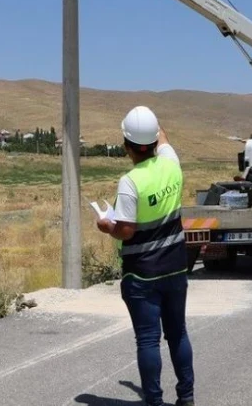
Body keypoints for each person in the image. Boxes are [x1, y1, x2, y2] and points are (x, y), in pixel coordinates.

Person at [96, 106, 194, 406]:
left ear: (126, 147)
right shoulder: (171, 163)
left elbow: (125, 230)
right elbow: (162, 139)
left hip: (143, 274)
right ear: (154, 141)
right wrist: (151, 119)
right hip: (176, 267)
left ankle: (154, 400)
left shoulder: (130, 182)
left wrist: (105, 225)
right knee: (177, 334)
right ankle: (186, 397)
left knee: (148, 340)